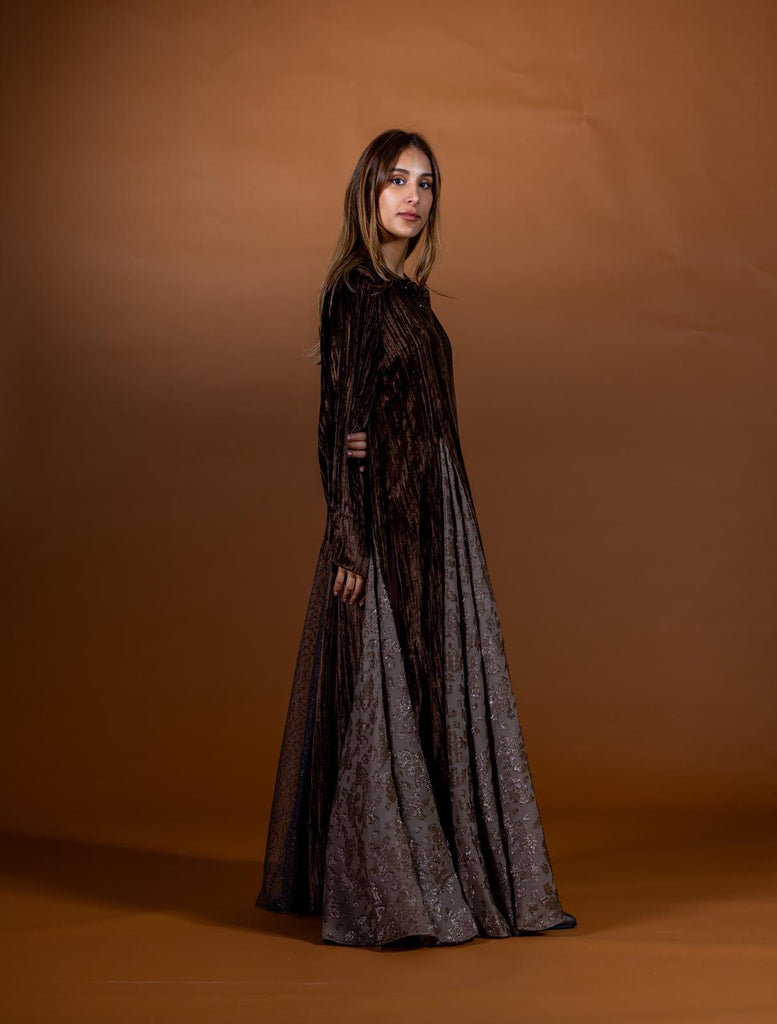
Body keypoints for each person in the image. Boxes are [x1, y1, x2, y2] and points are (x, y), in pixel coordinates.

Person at [256, 128, 577, 946]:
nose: (412, 196)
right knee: (385, 685)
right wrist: (348, 534)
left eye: (425, 183)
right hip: (383, 520)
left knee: (438, 679)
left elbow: (406, 410)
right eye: (395, 180)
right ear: (366, 192)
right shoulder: (354, 293)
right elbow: (334, 423)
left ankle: (450, 870)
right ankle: (390, 888)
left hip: (434, 513)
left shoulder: (410, 298)